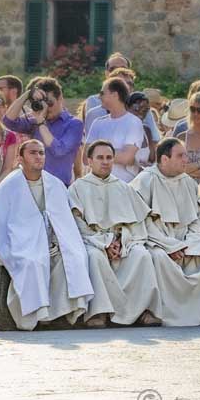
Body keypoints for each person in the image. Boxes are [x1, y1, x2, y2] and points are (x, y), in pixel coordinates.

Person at [0, 140, 94, 330]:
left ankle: (61, 314)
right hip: (23, 244)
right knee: (33, 262)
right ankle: (37, 315)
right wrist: (6, 255)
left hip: (53, 241)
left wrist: (59, 242)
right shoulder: (8, 187)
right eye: (33, 153)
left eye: (42, 153)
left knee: (74, 256)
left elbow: (64, 221)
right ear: (20, 158)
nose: (38, 157)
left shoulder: (56, 184)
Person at [129, 138, 200, 327]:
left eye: (185, 155)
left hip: (186, 240)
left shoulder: (188, 182)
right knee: (159, 258)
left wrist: (191, 242)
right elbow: (142, 222)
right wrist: (170, 245)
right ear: (164, 159)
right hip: (158, 241)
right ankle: (160, 313)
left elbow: (196, 218)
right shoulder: (145, 180)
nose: (186, 160)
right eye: (180, 156)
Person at [69, 140, 163, 327]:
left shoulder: (124, 187)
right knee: (94, 257)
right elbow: (77, 224)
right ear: (89, 160)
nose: (105, 162)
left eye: (109, 158)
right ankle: (99, 313)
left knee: (141, 255)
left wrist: (121, 240)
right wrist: (104, 243)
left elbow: (137, 223)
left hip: (124, 240)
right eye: (100, 158)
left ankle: (143, 311)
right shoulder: (77, 188)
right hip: (93, 240)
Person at [3, 77, 83, 186]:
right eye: (42, 103)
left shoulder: (74, 124)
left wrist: (41, 123)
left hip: (59, 186)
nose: (46, 108)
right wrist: (27, 95)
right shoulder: (35, 120)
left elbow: (59, 150)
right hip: (33, 186)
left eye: (49, 103)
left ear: (60, 99)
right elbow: (8, 121)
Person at [83, 55, 161, 144]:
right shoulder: (96, 110)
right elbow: (92, 145)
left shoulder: (141, 106)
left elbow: (155, 139)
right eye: (113, 68)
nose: (126, 87)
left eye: (129, 84)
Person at [86, 78, 145, 182]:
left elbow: (127, 158)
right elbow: (86, 157)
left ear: (115, 95)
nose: (99, 97)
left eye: (102, 93)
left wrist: (98, 155)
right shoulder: (97, 123)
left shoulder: (133, 123)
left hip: (124, 186)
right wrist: (117, 152)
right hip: (97, 186)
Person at [127, 92, 156, 168]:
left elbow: (152, 159)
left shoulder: (146, 131)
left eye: (145, 110)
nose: (140, 112)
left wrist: (150, 165)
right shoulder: (120, 130)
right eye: (137, 108)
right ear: (127, 107)